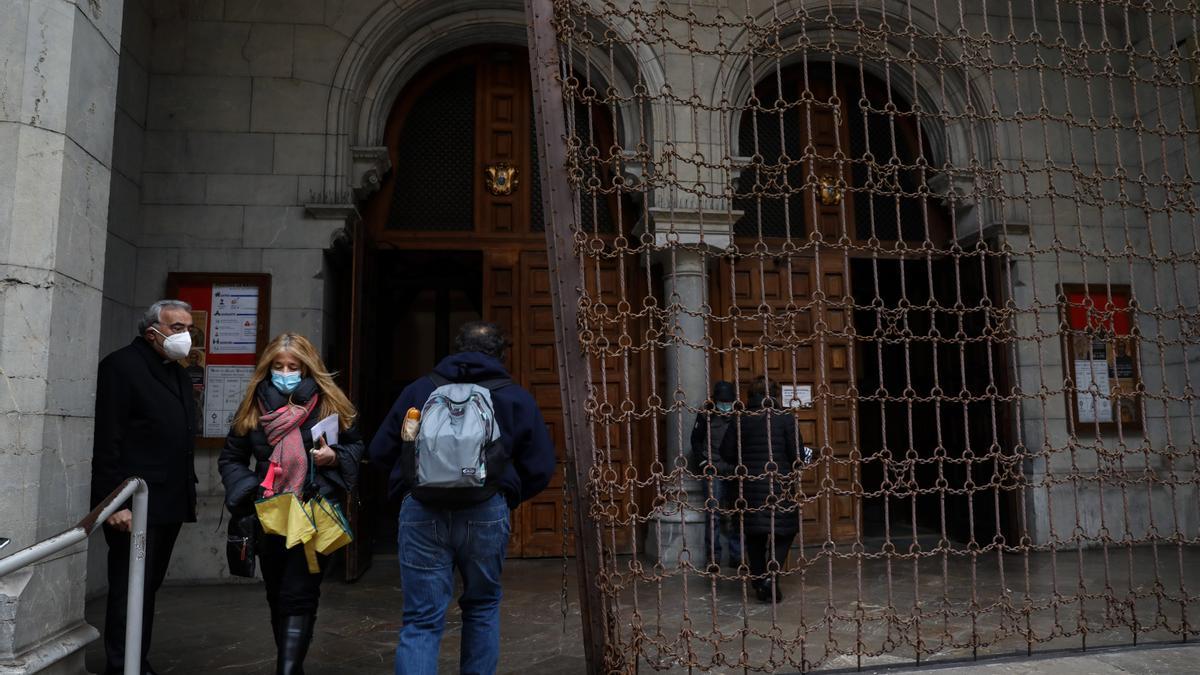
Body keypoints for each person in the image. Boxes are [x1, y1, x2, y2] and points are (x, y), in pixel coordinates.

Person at [369, 321, 556, 675]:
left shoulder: (419, 390)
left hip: (422, 509)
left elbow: (380, 452)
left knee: (421, 619)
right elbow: (541, 466)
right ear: (501, 354)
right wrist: (506, 493)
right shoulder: (513, 396)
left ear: (455, 350)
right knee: (482, 606)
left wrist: (408, 487)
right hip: (485, 509)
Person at [218, 333, 363, 674]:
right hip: (269, 513)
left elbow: (357, 447)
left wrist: (334, 456)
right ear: (267, 369)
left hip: (313, 510)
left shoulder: (329, 403)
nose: (285, 372)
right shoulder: (254, 405)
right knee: (277, 593)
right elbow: (232, 458)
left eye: (294, 366)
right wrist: (252, 489)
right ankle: (292, 666)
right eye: (278, 366)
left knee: (299, 593)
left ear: (308, 368)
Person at [91, 299, 199, 675]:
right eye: (176, 328)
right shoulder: (122, 367)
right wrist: (112, 504)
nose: (185, 335)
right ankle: (123, 665)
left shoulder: (177, 371)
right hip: (132, 504)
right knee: (128, 588)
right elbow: (107, 441)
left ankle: (138, 659)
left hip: (168, 500)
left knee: (146, 587)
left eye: (189, 328)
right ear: (152, 331)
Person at [719, 376, 803, 603]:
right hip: (779, 486)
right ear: (775, 394)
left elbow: (726, 453)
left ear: (751, 395)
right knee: (784, 531)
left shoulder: (741, 419)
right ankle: (771, 578)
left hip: (749, 487)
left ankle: (759, 580)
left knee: (754, 534)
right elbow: (797, 456)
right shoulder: (785, 419)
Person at [690, 380, 741, 568]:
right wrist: (703, 463)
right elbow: (695, 440)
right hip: (713, 471)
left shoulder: (740, 415)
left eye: (728, 402)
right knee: (713, 515)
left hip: (735, 471)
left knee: (738, 512)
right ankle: (714, 556)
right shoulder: (706, 415)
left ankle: (738, 555)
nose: (725, 406)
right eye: (722, 402)